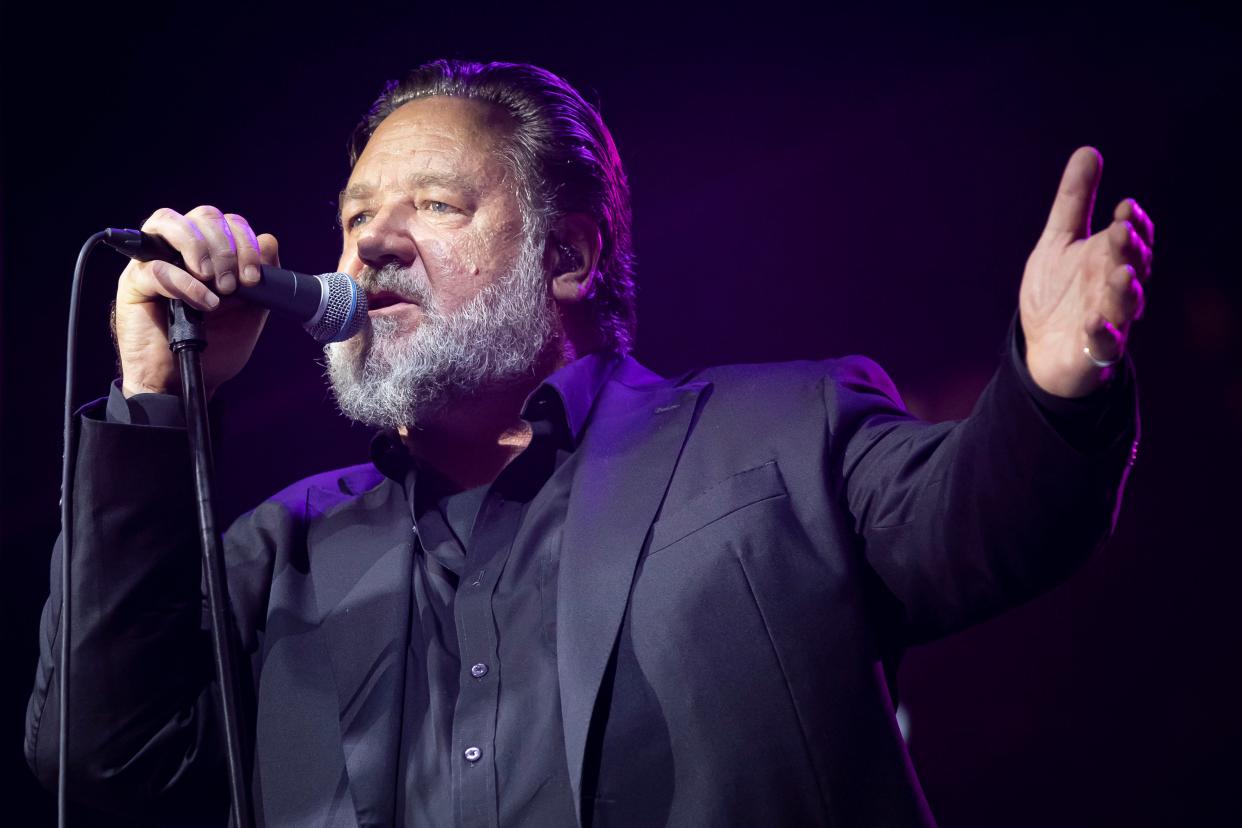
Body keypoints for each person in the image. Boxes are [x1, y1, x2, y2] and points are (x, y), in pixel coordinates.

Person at [25, 60, 1149, 827]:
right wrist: (157, 398)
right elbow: (100, 759)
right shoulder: (283, 556)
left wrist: (1047, 386)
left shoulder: (780, 438)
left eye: (437, 207)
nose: (371, 247)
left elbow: (990, 522)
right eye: (357, 217)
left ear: (567, 254)